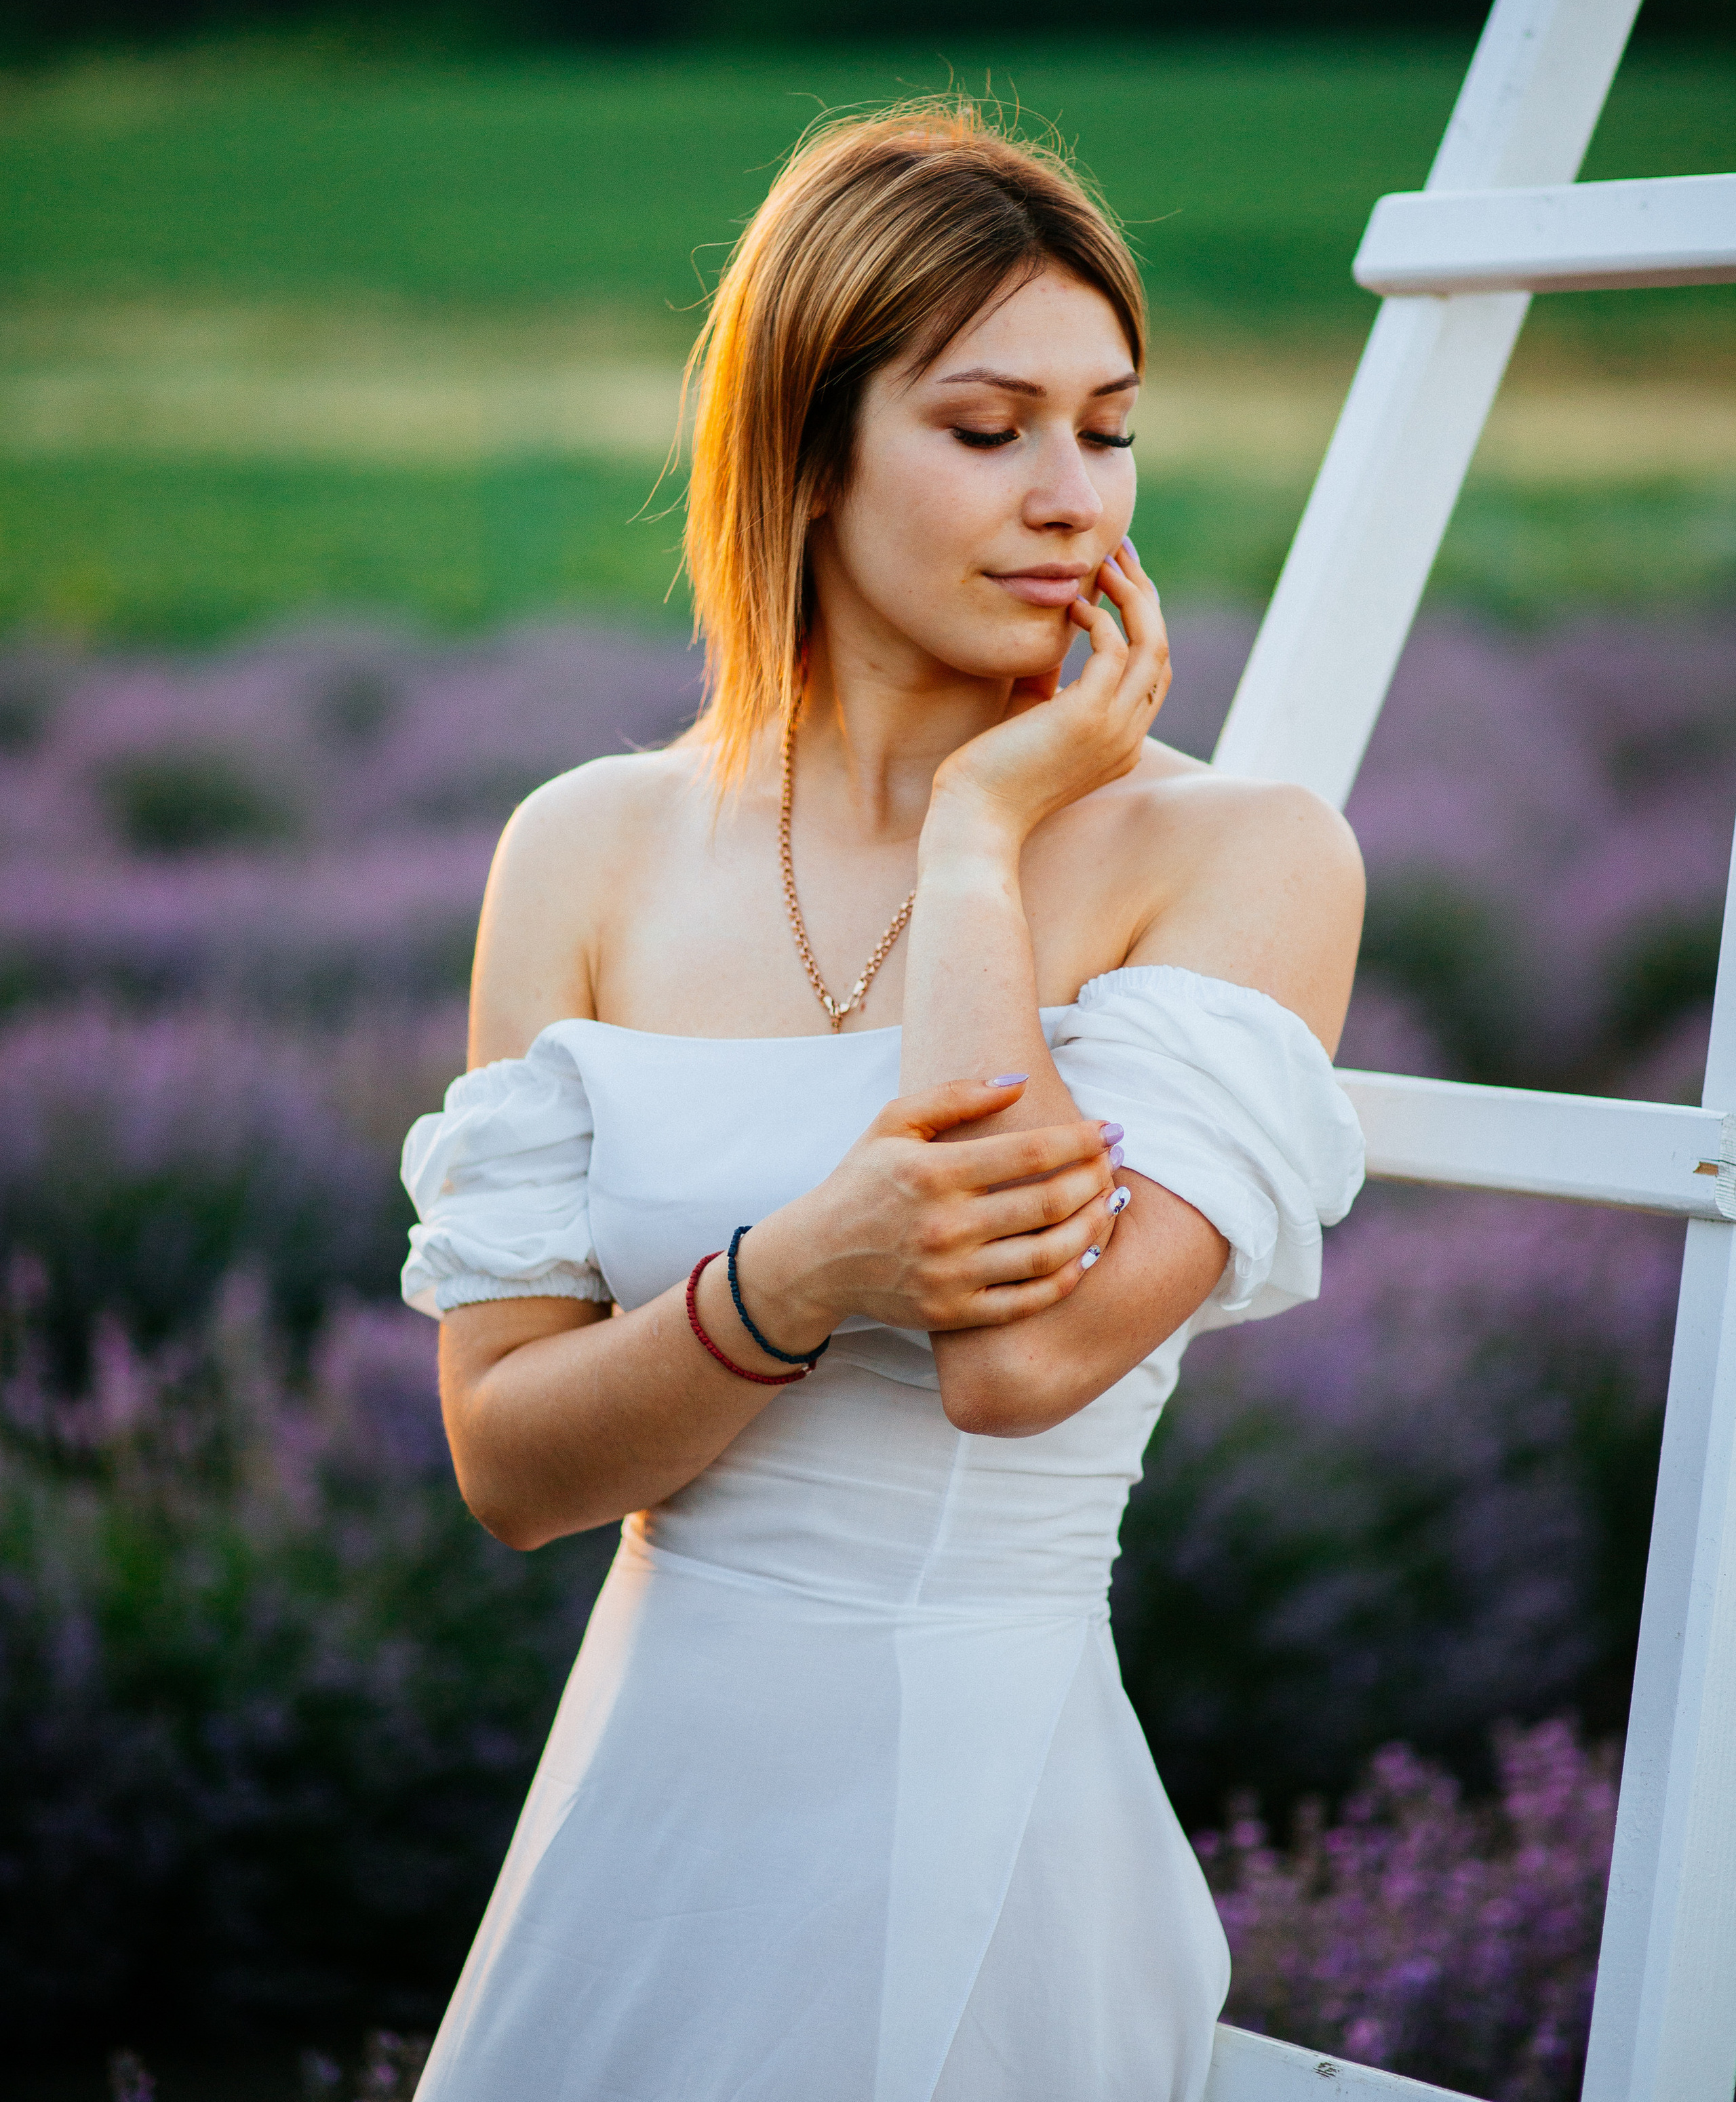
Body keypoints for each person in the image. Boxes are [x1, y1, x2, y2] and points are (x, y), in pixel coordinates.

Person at [400, 104, 1366, 2102]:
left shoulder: (1248, 854)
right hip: (638, 1820)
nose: (1072, 501)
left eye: (1110, 429)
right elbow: (509, 1466)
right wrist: (798, 1276)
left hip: (971, 1810)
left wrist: (980, 840)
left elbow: (1019, 1368)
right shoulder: (585, 847)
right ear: (808, 450)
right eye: (989, 428)